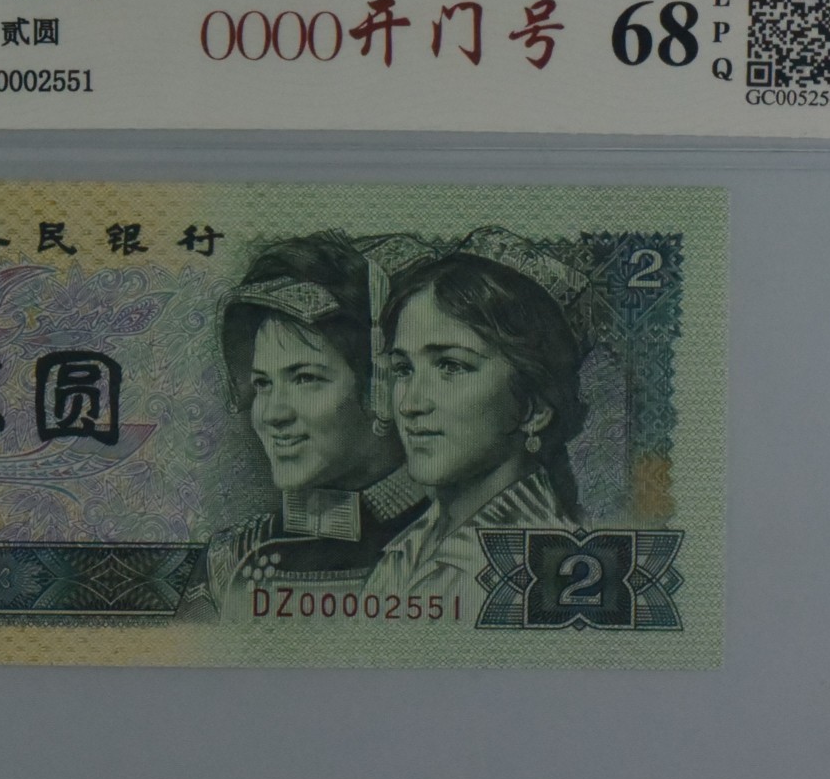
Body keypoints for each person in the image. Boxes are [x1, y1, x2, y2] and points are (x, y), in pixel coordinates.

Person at [180, 231, 430, 620]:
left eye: (305, 378)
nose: (272, 414)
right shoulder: (230, 561)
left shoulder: (458, 544)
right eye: (263, 384)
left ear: (381, 387)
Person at [362, 248, 586, 607]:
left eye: (451, 366)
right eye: (403, 369)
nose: (409, 404)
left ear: (533, 408)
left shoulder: (547, 569)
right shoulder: (407, 549)